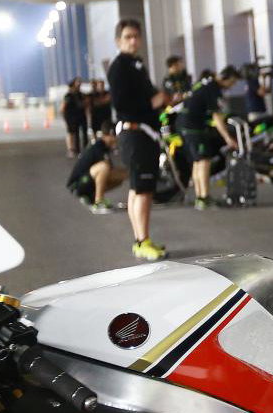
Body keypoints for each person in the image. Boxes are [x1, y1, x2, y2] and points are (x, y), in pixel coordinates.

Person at [107, 18, 170, 261]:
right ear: (118, 41)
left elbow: (149, 93)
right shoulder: (119, 67)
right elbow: (121, 104)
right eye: (128, 37)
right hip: (135, 133)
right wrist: (152, 102)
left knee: (137, 188)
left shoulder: (136, 64)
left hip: (142, 133)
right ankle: (143, 241)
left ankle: (140, 240)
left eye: (136, 36)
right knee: (143, 189)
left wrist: (160, 99)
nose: (133, 41)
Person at [179, 66, 241, 210]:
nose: (231, 86)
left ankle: (200, 197)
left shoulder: (204, 83)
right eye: (232, 82)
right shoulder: (213, 88)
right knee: (204, 160)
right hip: (194, 127)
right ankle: (204, 197)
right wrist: (228, 138)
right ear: (226, 78)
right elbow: (217, 117)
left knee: (197, 161)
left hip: (184, 125)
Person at [67, 121, 126, 214]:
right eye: (117, 135)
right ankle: (98, 203)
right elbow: (106, 168)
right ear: (111, 134)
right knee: (104, 167)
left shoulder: (104, 146)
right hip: (77, 185)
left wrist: (126, 174)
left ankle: (92, 196)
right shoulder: (98, 146)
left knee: (120, 176)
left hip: (86, 180)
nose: (118, 139)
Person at [61, 78, 88, 157]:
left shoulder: (81, 94)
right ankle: (76, 150)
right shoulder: (68, 95)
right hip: (72, 117)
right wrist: (65, 118)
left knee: (84, 133)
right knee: (74, 133)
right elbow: (63, 108)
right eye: (77, 82)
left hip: (81, 116)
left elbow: (86, 105)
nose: (79, 84)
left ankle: (85, 149)